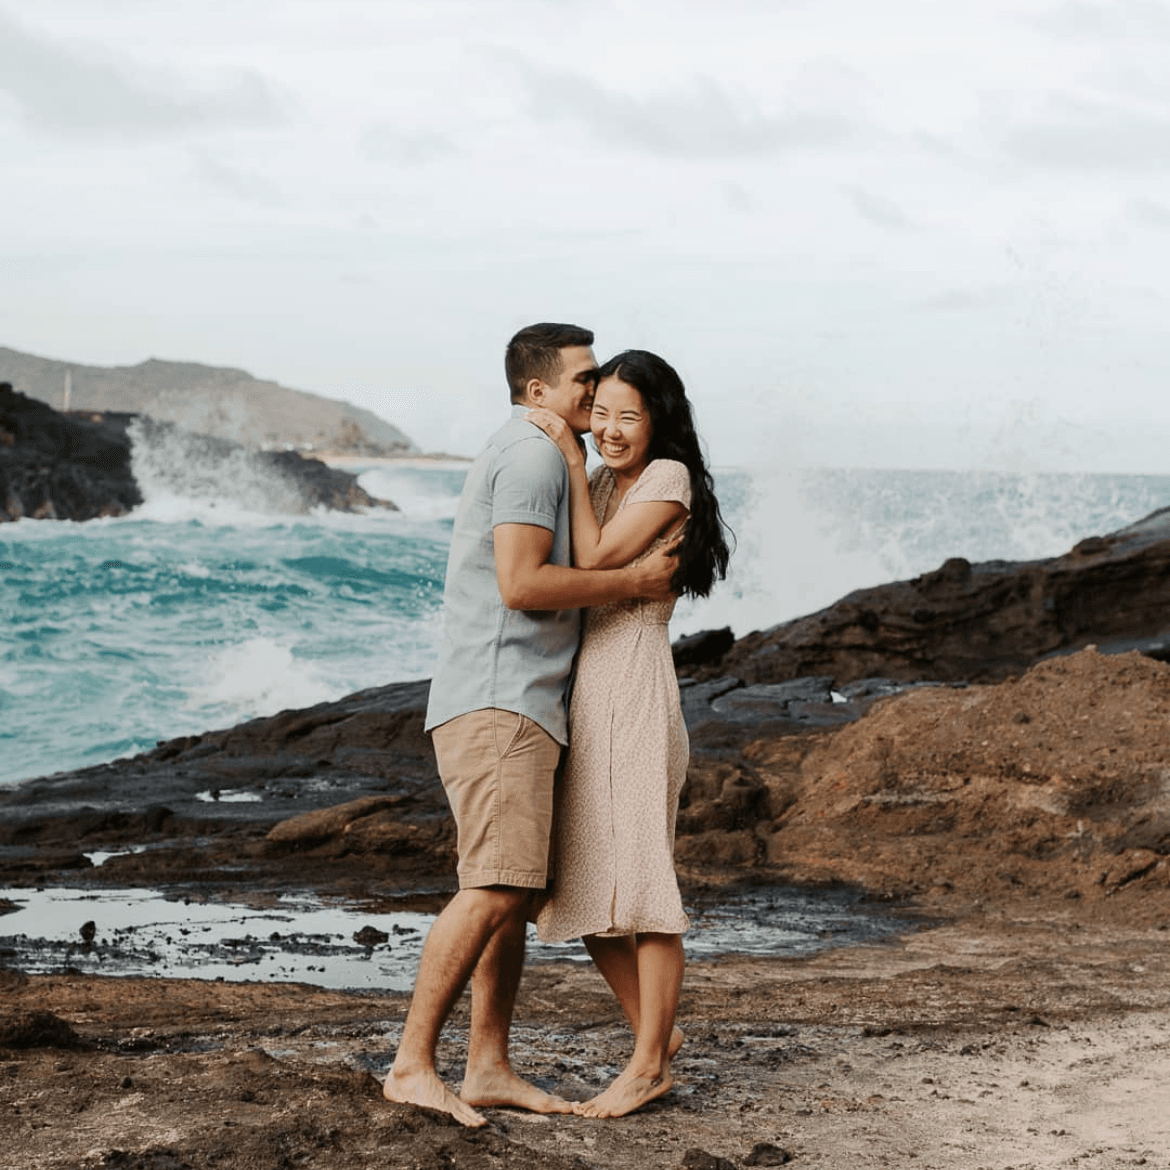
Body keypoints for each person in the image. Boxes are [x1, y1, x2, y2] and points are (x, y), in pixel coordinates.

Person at [383, 324, 681, 1128]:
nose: (596, 393)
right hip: (501, 700)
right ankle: (412, 1064)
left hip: (528, 703)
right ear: (537, 391)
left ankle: (487, 1064)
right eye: (583, 381)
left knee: (513, 895)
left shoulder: (561, 458)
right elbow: (520, 583)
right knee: (496, 887)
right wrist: (630, 581)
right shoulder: (531, 455)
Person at [526, 349, 731, 1119]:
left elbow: (599, 557)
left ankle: (647, 1066)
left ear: (659, 419)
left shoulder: (666, 478)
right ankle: (656, 1033)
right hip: (587, 691)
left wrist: (571, 462)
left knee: (643, 886)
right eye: (600, 413)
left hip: (635, 687)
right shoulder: (610, 479)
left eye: (627, 416)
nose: (610, 430)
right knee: (576, 886)